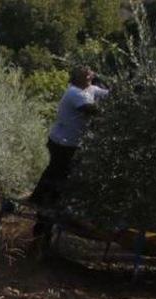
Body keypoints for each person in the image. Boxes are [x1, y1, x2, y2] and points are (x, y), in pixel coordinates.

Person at [27, 65, 110, 208]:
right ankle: (43, 201)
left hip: (70, 141)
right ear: (79, 79)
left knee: (57, 172)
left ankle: (44, 201)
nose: (91, 78)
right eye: (88, 76)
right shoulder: (74, 93)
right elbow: (91, 110)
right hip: (62, 142)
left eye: (91, 75)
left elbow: (107, 94)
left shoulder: (90, 89)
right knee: (57, 172)